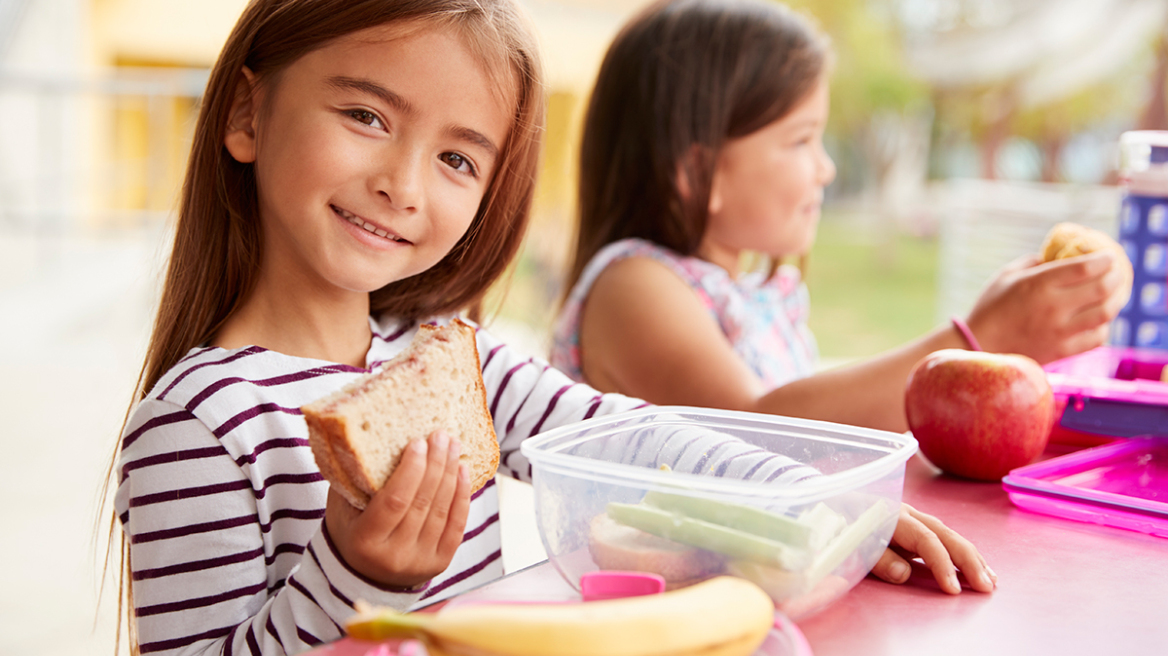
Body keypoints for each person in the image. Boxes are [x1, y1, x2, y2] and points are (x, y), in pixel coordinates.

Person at [108, 0, 993, 653]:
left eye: (458, 158)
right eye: (366, 116)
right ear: (247, 115)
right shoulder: (200, 421)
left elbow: (637, 443)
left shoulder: (457, 362)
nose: (403, 185)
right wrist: (353, 571)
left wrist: (811, 504)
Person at [552, 0, 1127, 438]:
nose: (825, 168)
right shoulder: (632, 286)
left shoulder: (747, 293)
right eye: (801, 140)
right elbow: (758, 431)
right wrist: (979, 340)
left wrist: (1010, 334)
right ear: (698, 170)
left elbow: (830, 412)